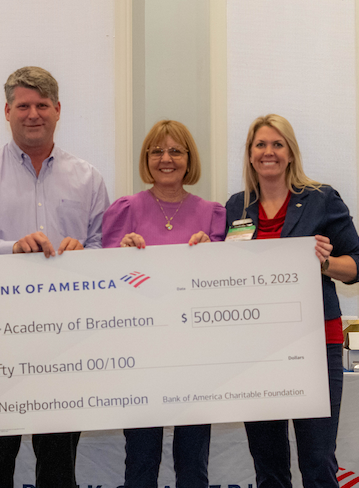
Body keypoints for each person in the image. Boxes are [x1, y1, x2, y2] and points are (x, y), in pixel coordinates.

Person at [0, 66, 110, 488]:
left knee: (59, 469)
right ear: (7, 111)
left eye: (42, 105)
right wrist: (11, 249)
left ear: (58, 109)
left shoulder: (89, 178)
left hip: (66, 345)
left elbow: (104, 252)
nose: (33, 114)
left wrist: (86, 257)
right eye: (23, 106)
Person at [225, 114, 359, 488]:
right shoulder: (236, 208)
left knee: (317, 461)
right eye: (260, 145)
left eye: (278, 144)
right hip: (258, 350)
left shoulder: (321, 199)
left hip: (315, 345)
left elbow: (358, 266)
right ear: (250, 154)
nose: (268, 152)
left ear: (290, 153)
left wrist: (324, 264)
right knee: (268, 465)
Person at [102, 119, 225, 488]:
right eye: (156, 151)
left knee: (193, 463)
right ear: (146, 159)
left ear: (189, 158)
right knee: (141, 461)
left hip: (195, 352)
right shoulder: (125, 210)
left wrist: (212, 255)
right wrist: (120, 256)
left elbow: (225, 283)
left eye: (175, 151)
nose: (166, 159)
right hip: (139, 353)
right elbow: (104, 282)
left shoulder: (214, 214)